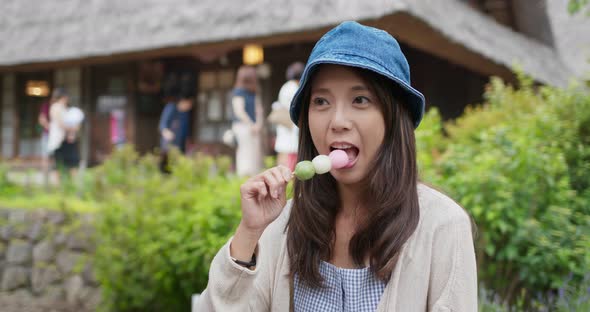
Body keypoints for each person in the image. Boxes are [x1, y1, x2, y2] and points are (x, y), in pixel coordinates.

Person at [197, 21, 477, 311]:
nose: (338, 121)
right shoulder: (282, 225)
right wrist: (248, 233)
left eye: (360, 99)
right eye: (321, 101)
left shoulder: (443, 226)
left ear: (394, 118)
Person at [268, 62, 304, 171]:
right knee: (290, 153)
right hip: (290, 125)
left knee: (284, 152)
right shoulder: (293, 88)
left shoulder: (286, 86)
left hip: (285, 125)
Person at [231, 65, 264, 176]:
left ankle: (251, 176)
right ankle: (245, 176)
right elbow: (239, 111)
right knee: (246, 152)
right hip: (244, 126)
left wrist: (257, 124)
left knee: (253, 153)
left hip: (251, 126)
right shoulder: (239, 92)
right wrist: (253, 124)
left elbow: (258, 109)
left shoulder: (252, 92)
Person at [47, 88, 82, 183]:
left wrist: (72, 131)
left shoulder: (67, 109)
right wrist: (72, 129)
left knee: (72, 163)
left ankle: (72, 185)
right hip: (59, 140)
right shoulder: (56, 107)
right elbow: (60, 124)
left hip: (67, 140)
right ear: (63, 97)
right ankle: (58, 187)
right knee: (58, 164)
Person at [158, 88, 194, 172]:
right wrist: (166, 132)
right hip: (169, 144)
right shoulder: (171, 108)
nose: (190, 106)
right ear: (184, 101)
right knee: (166, 167)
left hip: (180, 145)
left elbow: (186, 131)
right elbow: (162, 125)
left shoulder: (185, 114)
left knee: (178, 167)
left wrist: (188, 141)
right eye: (189, 103)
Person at [38, 99, 51, 184]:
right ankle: (45, 181)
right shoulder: (47, 105)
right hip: (47, 135)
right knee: (45, 158)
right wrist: (50, 128)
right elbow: (41, 119)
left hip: (59, 137)